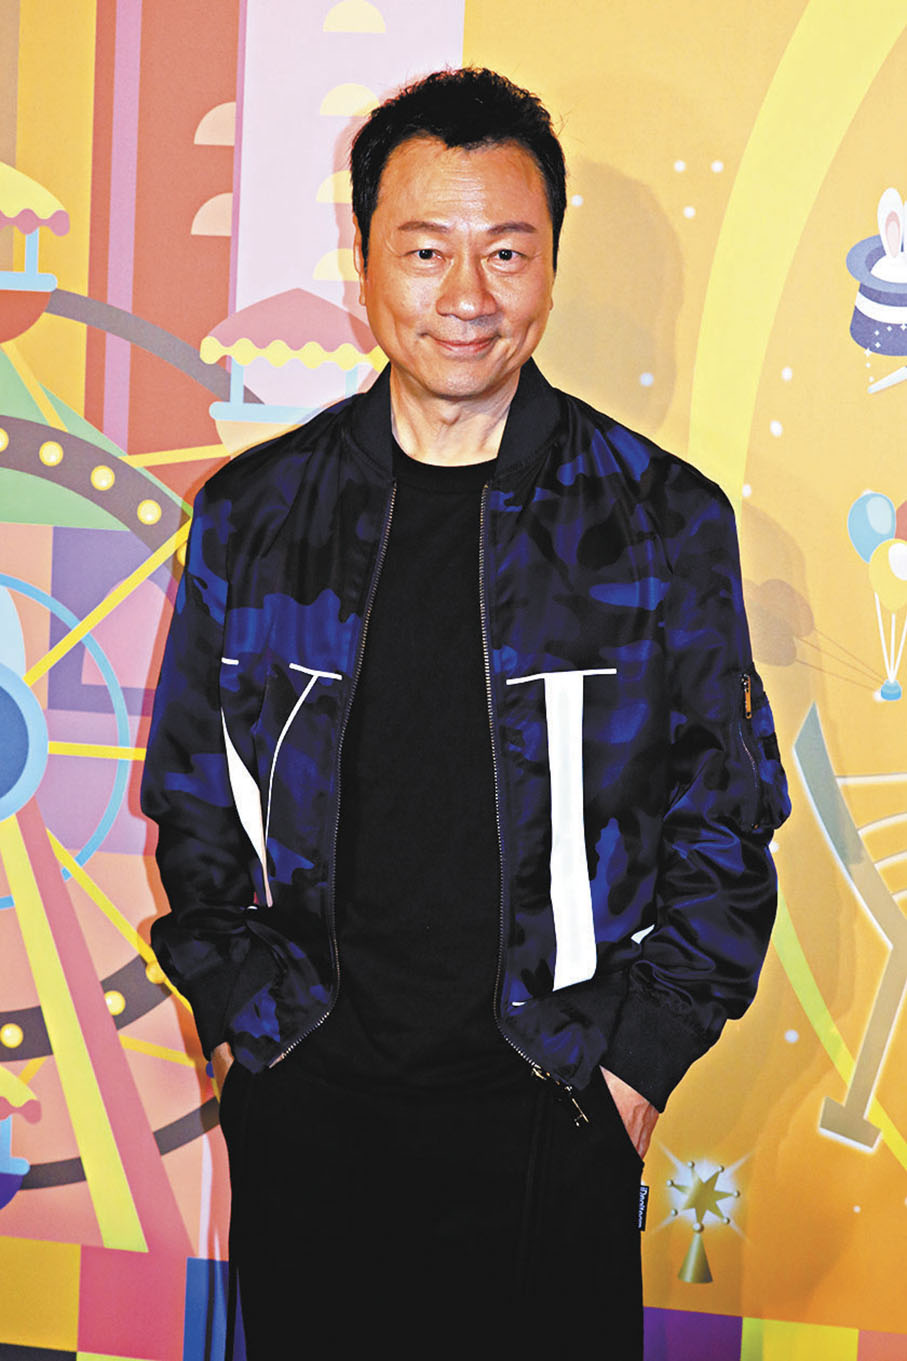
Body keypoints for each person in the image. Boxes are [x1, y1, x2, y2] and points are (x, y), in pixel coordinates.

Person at [141, 67, 789, 1357]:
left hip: (554, 1108)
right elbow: (194, 801)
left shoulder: (661, 521)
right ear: (364, 260)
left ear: (550, 264)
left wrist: (637, 1064)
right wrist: (248, 1035)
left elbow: (726, 820)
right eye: (426, 250)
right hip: (311, 1105)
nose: (467, 296)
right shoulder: (257, 514)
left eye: (506, 251)